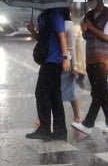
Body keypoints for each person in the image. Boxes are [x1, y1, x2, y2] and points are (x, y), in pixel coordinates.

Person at [71, 0, 108, 135]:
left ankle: (88, 123)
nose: (91, 1)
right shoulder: (88, 15)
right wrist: (84, 29)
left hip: (104, 59)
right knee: (100, 91)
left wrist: (91, 27)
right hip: (91, 58)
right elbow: (87, 36)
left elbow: (107, 37)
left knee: (98, 92)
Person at [26, 9, 70, 141]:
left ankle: (45, 129)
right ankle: (59, 131)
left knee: (41, 93)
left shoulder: (55, 15)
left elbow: (62, 36)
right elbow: (42, 39)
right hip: (46, 59)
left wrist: (65, 58)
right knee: (54, 96)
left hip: (54, 60)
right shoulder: (42, 17)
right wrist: (33, 31)